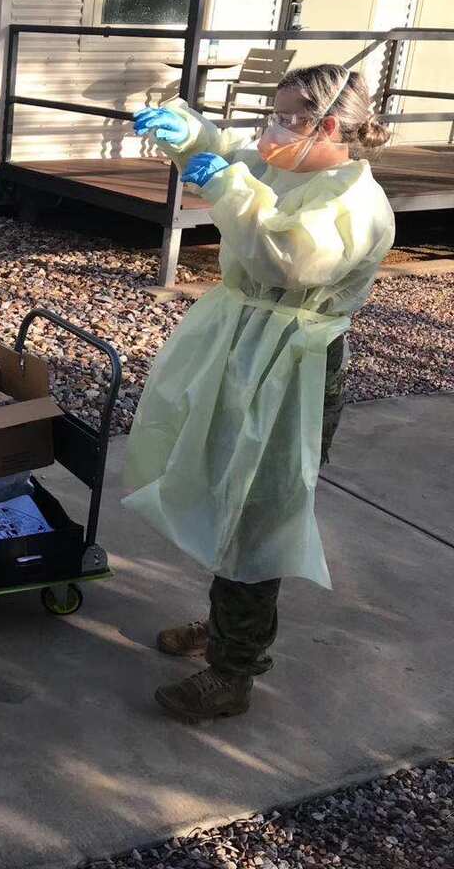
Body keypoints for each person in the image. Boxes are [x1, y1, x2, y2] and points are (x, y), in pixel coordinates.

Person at [124, 65, 395, 723]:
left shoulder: (354, 202)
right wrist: (189, 135)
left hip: (293, 364)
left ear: (327, 127)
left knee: (257, 511)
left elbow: (289, 256)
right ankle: (226, 628)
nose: (268, 130)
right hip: (246, 346)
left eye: (283, 119)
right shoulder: (289, 165)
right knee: (223, 485)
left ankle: (234, 671)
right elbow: (233, 160)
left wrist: (230, 192)